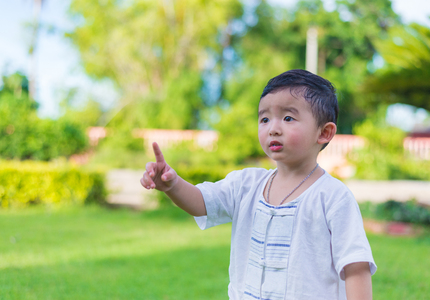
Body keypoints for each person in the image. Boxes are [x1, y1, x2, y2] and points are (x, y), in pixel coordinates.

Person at [140, 69, 376, 300]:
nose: (273, 128)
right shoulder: (246, 184)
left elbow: (355, 267)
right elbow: (202, 203)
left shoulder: (332, 197)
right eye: (264, 118)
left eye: (288, 118)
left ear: (324, 133)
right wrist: (172, 185)